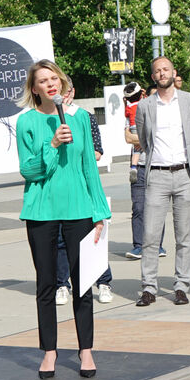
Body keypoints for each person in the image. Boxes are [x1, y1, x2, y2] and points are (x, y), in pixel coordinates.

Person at [16, 60, 109, 379]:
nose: (50, 83)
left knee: (83, 284)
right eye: (43, 80)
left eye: (54, 78)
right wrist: (52, 145)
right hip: (41, 212)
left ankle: (86, 350)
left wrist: (100, 214)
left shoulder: (80, 117)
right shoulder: (26, 122)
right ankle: (49, 352)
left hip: (79, 209)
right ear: (35, 89)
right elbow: (28, 171)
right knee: (46, 285)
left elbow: (89, 168)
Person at [134, 56, 190, 306]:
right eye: (157, 71)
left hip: (185, 174)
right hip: (158, 175)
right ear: (153, 77)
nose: (162, 74)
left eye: (166, 69)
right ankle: (149, 287)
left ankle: (181, 285)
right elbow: (143, 139)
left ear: (174, 72)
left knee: (184, 236)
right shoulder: (144, 106)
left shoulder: (189, 100)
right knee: (150, 235)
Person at [54, 87, 113, 305]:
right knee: (60, 241)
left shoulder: (84, 116)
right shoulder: (48, 118)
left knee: (93, 238)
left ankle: (104, 282)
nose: (64, 95)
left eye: (66, 91)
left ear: (72, 92)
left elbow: (96, 151)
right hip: (59, 192)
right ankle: (62, 284)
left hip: (82, 187)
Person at [123, 84, 167, 260]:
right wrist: (146, 138)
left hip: (157, 165)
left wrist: (143, 139)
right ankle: (139, 246)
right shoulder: (132, 113)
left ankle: (158, 245)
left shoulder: (161, 113)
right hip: (139, 168)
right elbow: (128, 137)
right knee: (139, 207)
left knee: (157, 207)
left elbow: (160, 136)